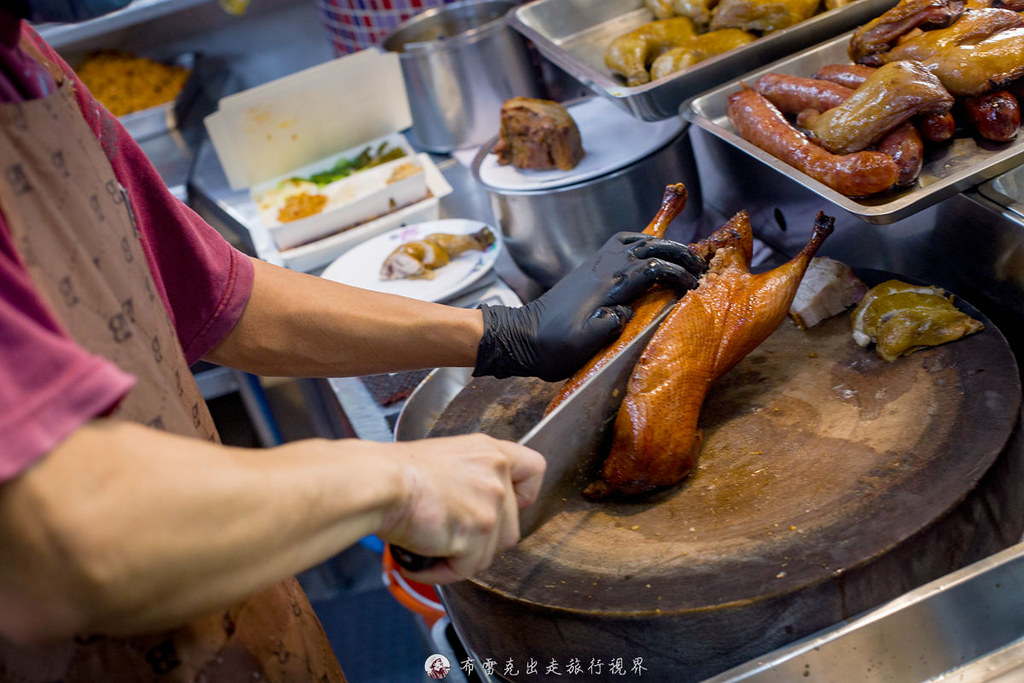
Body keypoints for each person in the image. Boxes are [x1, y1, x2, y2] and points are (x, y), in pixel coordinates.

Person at [0, 1, 706, 680]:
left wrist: (501, 334)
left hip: (237, 619)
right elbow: (57, 540)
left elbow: (217, 296)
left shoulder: (26, 61)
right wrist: (391, 484)